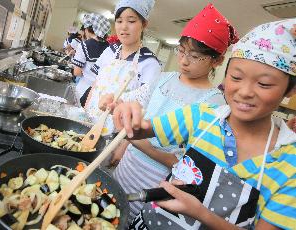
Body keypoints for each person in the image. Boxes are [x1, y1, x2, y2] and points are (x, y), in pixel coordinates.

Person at [112, 18, 296, 229]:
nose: (244, 92)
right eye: (236, 78)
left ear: (291, 90)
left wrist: (201, 214)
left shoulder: (289, 163)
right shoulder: (201, 117)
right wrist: (125, 112)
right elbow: (139, 131)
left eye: (264, 84)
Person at [110, 3, 239, 221]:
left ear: (217, 60)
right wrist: (122, 147)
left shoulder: (214, 104)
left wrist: (135, 140)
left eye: (195, 56)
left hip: (155, 182)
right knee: (107, 210)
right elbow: (142, 114)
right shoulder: (164, 78)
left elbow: (182, 164)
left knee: (129, 221)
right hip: (126, 167)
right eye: (181, 51)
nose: (184, 60)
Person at [84, 0, 161, 136]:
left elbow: (143, 111)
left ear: (144, 24)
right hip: (88, 123)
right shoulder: (109, 51)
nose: (123, 27)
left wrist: (122, 147)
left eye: (131, 21)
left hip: (115, 134)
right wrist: (83, 115)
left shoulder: (150, 63)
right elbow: (96, 85)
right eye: (119, 21)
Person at [71, 13, 111, 106]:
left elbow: (76, 72)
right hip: (100, 95)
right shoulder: (110, 48)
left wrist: (86, 73)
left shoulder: (84, 45)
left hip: (83, 90)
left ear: (87, 29)